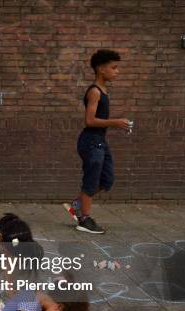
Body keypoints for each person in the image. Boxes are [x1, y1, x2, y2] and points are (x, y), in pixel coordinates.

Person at [63, 49, 131, 234]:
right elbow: (90, 120)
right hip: (91, 141)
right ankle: (84, 219)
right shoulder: (94, 92)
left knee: (107, 179)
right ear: (101, 69)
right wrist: (115, 122)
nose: (117, 71)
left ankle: (77, 204)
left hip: (99, 140)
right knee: (92, 180)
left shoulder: (104, 89)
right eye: (114, 67)